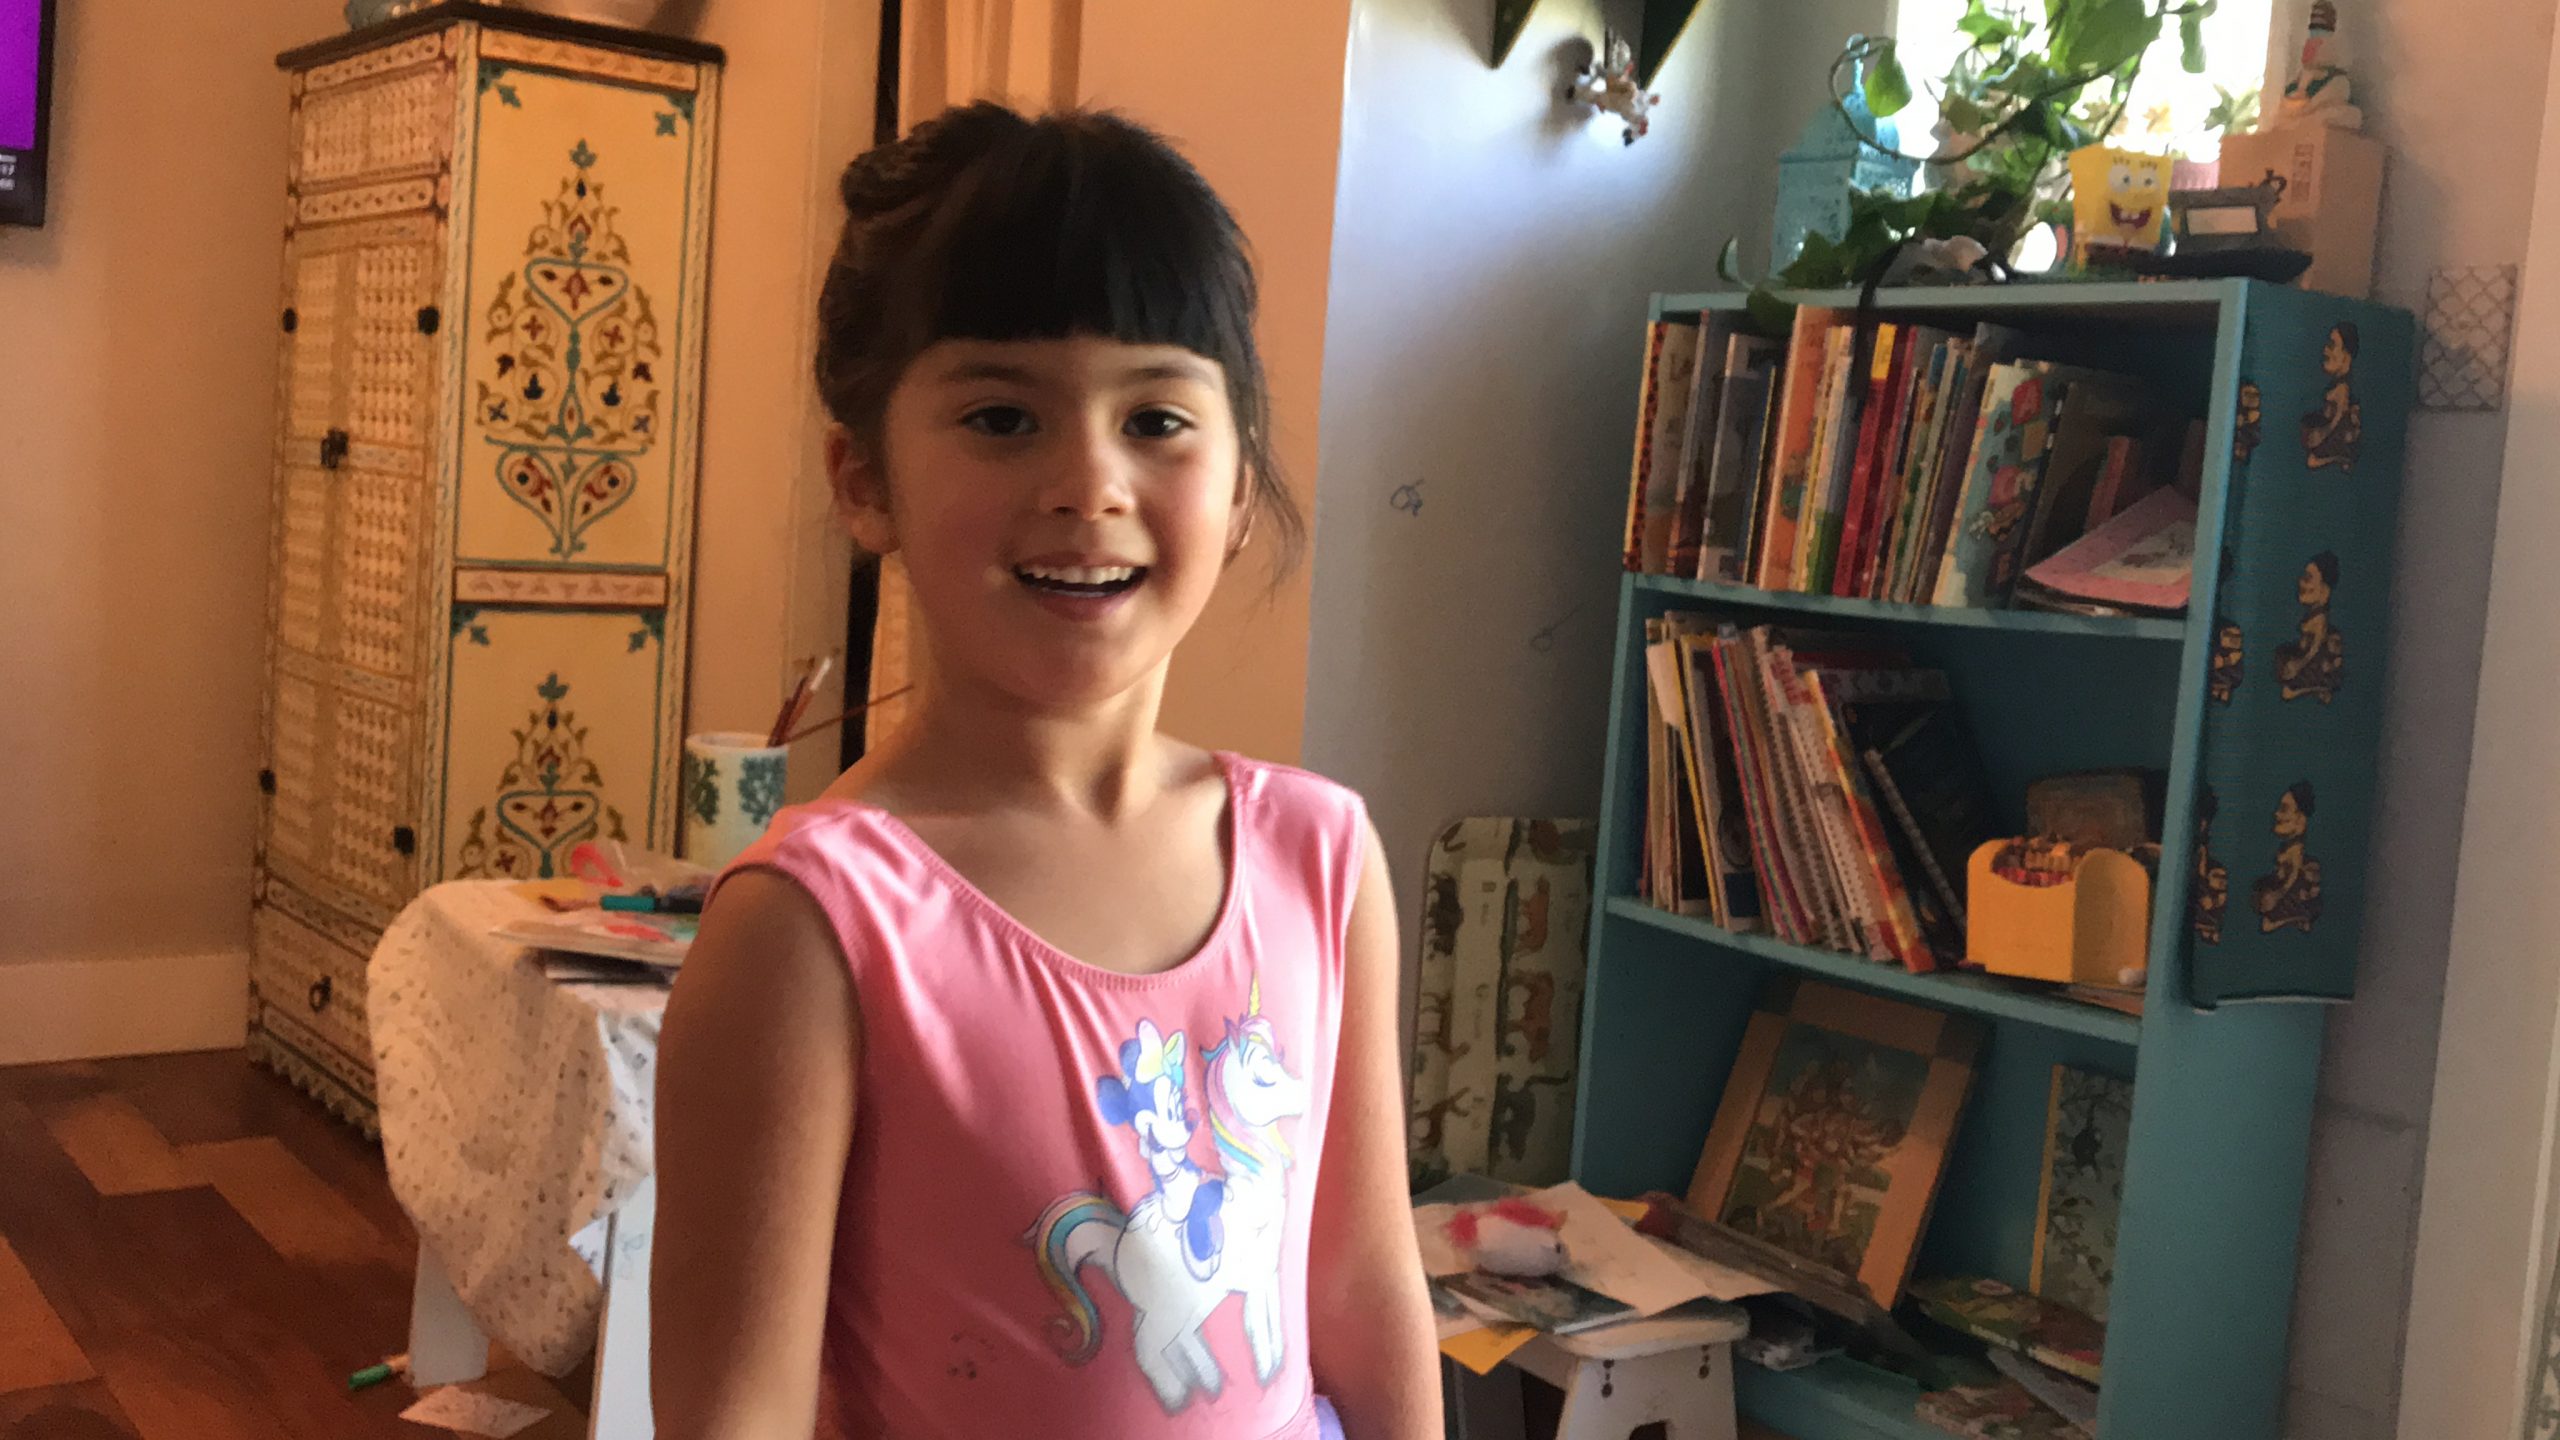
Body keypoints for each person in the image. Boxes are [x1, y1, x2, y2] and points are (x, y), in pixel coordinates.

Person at [649, 103, 1440, 1440]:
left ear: (1240, 486)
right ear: (864, 482)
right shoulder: (811, 929)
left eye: (1158, 418)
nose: (1089, 480)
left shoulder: (1323, 856)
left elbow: (1362, 1287)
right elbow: (737, 1416)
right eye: (1005, 416)